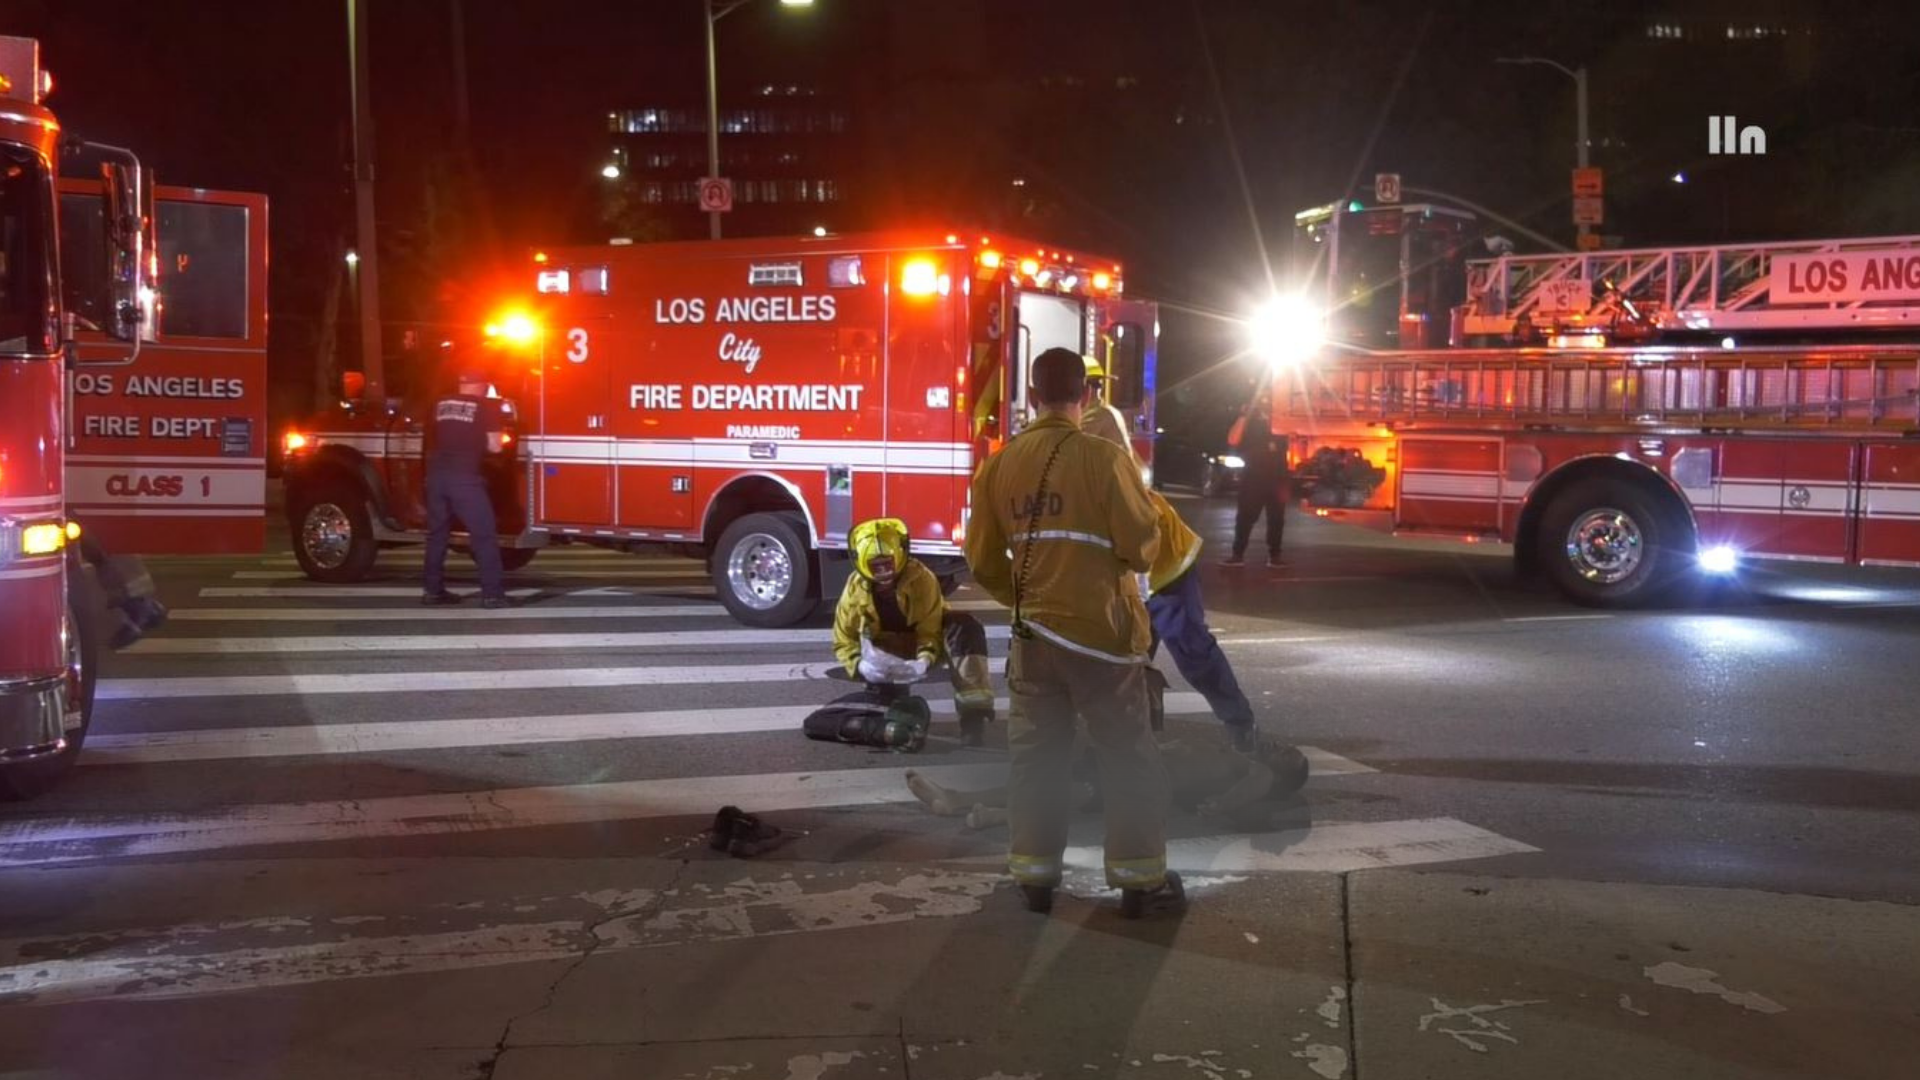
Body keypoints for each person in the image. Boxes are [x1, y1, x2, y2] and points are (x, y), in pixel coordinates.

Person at [964, 345, 1182, 919]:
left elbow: (982, 559)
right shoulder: (1104, 458)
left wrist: (1023, 601)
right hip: (1102, 639)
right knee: (1127, 756)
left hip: (1033, 637)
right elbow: (1140, 547)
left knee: (1037, 759)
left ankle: (1035, 879)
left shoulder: (1000, 466)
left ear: (1032, 396)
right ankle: (1140, 883)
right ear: (1085, 396)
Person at [1076, 374, 1262, 753]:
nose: (1091, 391)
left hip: (1162, 564)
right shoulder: (1074, 429)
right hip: (1133, 564)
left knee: (1191, 649)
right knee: (1127, 660)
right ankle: (1138, 741)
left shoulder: (1097, 421)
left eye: (1091, 385)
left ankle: (1241, 727)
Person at [831, 517, 997, 746]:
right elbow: (844, 640)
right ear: (861, 563)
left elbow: (929, 630)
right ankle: (886, 699)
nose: (883, 573)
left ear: (899, 558)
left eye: (887, 563)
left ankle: (973, 718)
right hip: (882, 657)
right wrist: (860, 665)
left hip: (921, 646)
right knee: (890, 710)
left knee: (964, 625)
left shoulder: (922, 579)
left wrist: (924, 660)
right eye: (875, 566)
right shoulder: (853, 589)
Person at [422, 368, 510, 608]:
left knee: (437, 536)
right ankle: (492, 594)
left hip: (436, 477)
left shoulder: (440, 403)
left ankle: (432, 591)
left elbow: (431, 435)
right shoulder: (484, 406)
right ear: (481, 384)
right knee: (484, 535)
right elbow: (495, 447)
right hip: (465, 479)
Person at [1224, 389, 1289, 568]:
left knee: (1277, 518)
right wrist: (1244, 415)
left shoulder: (1283, 420)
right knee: (1245, 516)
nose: (1265, 403)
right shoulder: (1249, 421)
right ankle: (1237, 554)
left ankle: (1275, 555)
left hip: (1278, 476)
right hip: (1253, 475)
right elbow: (1233, 439)